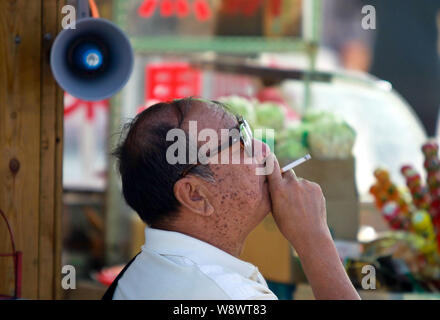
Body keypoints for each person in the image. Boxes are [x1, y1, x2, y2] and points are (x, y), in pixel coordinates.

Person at [107, 98, 360, 300]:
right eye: (240, 142)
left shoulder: (140, 273)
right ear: (195, 195)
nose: (264, 149)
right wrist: (315, 241)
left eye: (247, 131)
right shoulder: (231, 295)